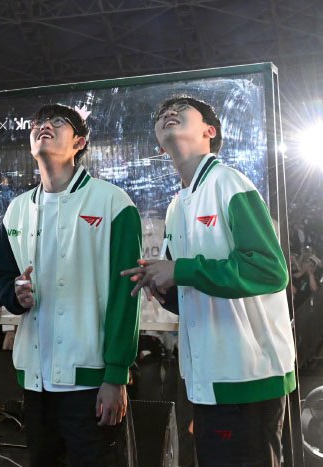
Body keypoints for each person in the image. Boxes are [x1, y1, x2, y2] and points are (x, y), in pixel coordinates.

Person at [122, 96, 296, 466]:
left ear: (209, 131)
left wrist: (180, 270)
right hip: (207, 377)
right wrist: (162, 286)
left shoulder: (229, 183)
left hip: (248, 376)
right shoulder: (177, 205)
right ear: (159, 143)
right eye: (162, 113)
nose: (169, 113)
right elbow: (192, 292)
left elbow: (269, 270)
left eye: (181, 111)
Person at [0, 104, 142, 466]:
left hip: (91, 380)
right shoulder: (17, 208)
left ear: (79, 142)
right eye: (38, 122)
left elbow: (127, 295)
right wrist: (16, 294)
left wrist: (116, 375)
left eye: (59, 122)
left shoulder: (112, 202)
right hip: (35, 380)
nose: (45, 126)